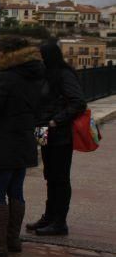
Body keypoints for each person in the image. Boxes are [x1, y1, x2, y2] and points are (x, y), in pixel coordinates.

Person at [0, 36, 45, 257]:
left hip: (3, 142)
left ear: (6, 53)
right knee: (16, 190)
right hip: (24, 141)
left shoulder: (4, 78)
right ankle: (13, 239)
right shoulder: (34, 76)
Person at [27, 40, 86, 236]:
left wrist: (56, 121)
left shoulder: (64, 74)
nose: (39, 60)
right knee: (50, 176)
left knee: (60, 178)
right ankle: (49, 217)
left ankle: (60, 222)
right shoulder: (47, 75)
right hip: (45, 132)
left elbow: (78, 102)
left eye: (41, 56)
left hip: (59, 134)